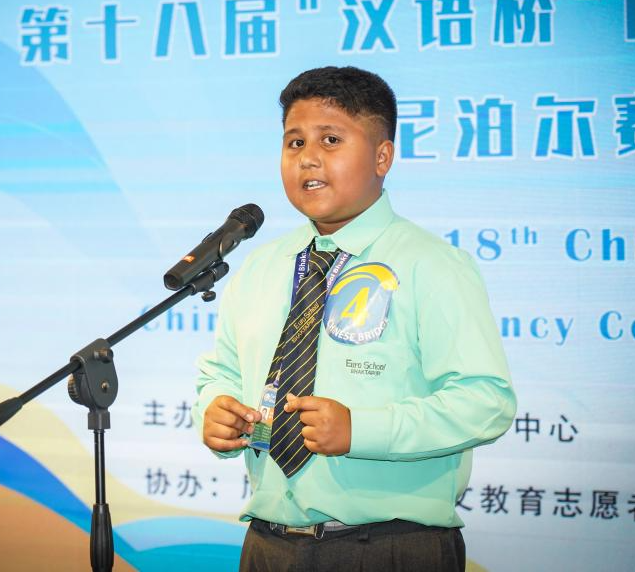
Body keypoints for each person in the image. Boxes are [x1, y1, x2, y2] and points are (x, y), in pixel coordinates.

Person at [193, 66, 516, 571]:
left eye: (330, 139)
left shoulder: (431, 264)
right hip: (268, 545)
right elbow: (221, 372)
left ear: (382, 157)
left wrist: (360, 430)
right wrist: (214, 410)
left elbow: (485, 402)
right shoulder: (262, 266)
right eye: (295, 142)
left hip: (388, 547)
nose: (308, 157)